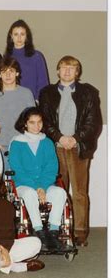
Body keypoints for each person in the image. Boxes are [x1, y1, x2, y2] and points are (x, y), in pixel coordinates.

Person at [39, 56, 102, 247]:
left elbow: (94, 122)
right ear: (57, 71)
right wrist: (59, 137)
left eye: (72, 68)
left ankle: (80, 232)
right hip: (55, 148)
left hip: (78, 148)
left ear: (77, 72)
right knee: (58, 191)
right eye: (63, 67)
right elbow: (44, 120)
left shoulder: (88, 93)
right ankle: (58, 229)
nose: (67, 71)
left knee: (79, 192)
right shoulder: (47, 93)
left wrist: (75, 138)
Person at [9, 107, 66, 251]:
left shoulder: (47, 142)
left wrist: (42, 187)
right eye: (32, 122)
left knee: (60, 193)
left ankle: (53, 231)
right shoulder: (16, 143)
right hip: (23, 185)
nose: (37, 126)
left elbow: (51, 168)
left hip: (45, 185)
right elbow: (18, 170)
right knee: (29, 194)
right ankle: (39, 230)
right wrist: (37, 187)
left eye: (39, 122)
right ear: (25, 124)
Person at [0, 57, 35, 152]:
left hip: (22, 145)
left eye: (11, 71)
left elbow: (32, 121)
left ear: (17, 73)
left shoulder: (26, 93)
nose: (8, 75)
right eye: (4, 71)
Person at [4, 19, 49, 100]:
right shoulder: (6, 57)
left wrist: (38, 101)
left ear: (27, 36)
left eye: (22, 34)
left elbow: (43, 83)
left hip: (32, 101)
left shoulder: (37, 56)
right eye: (16, 34)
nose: (19, 38)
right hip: (11, 99)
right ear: (11, 36)